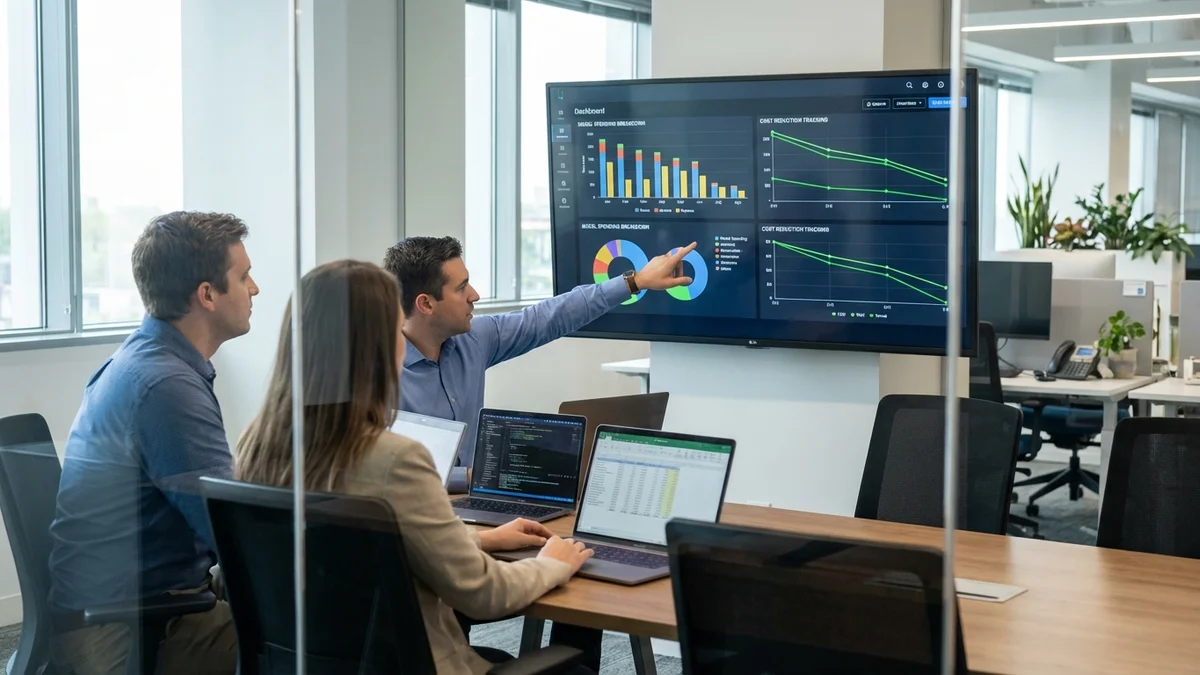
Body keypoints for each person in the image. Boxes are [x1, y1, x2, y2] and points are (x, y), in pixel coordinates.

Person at [235, 260, 595, 675]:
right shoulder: (395, 459)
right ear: (377, 348)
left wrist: (480, 539)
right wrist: (553, 563)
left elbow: (347, 556)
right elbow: (484, 593)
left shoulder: (256, 446)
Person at [48, 211, 258, 675]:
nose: (255, 288)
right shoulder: (167, 385)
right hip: (132, 629)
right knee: (327, 642)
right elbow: (233, 535)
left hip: (139, 601)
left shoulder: (144, 361)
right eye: (244, 277)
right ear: (207, 295)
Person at [382, 235, 695, 492]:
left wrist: (635, 281)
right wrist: (470, 476)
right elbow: (375, 471)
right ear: (426, 304)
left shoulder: (474, 340)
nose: (474, 295)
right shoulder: (374, 374)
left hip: (476, 504)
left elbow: (550, 317)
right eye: (462, 288)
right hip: (413, 514)